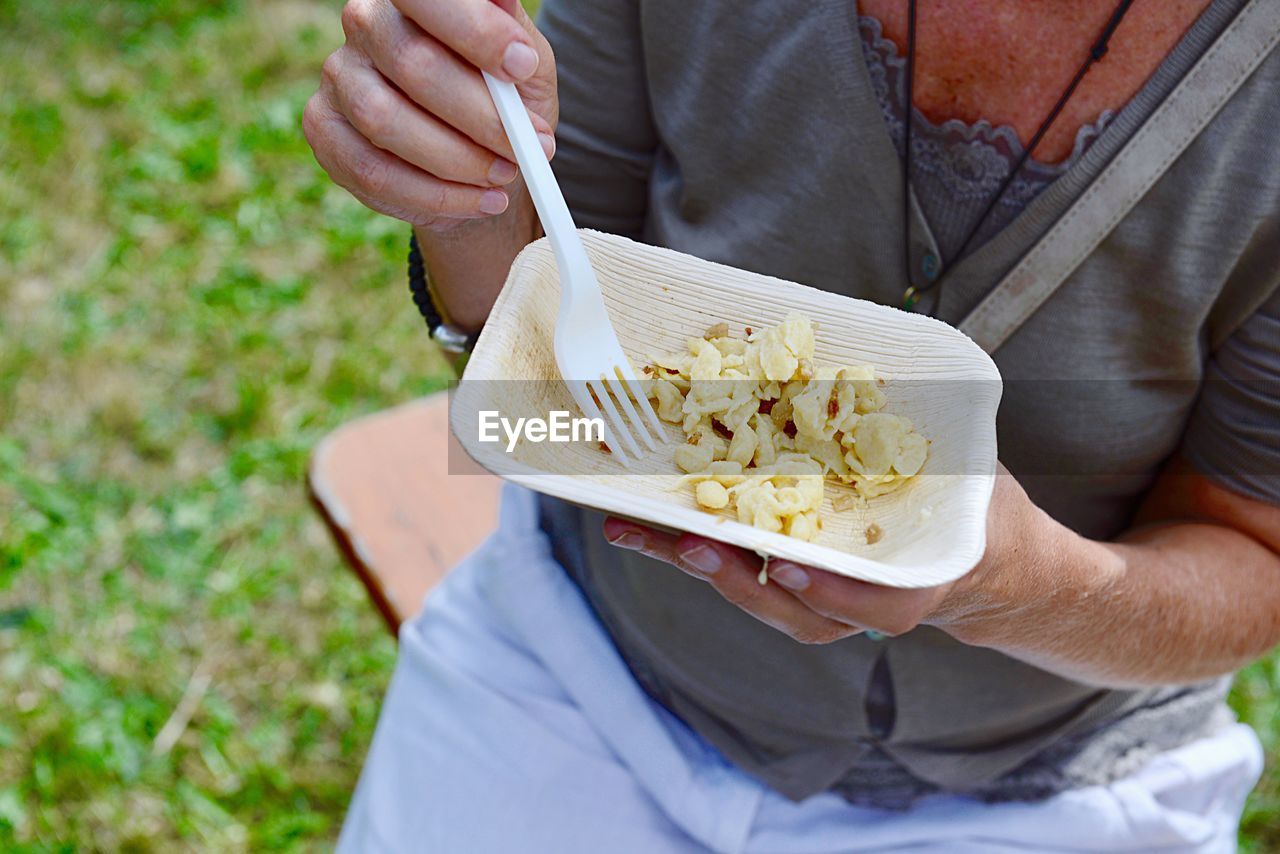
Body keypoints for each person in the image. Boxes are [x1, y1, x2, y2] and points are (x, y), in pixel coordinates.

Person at [303, 0, 1280, 850]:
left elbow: (1248, 552)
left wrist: (1009, 586)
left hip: (1051, 776)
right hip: (586, 666)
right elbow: (535, 368)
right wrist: (467, 198)